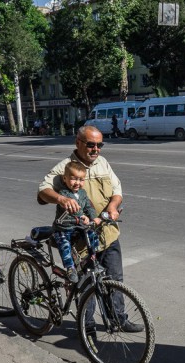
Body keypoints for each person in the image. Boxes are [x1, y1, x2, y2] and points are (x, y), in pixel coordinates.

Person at [38, 125, 143, 333]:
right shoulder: (65, 168)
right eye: (91, 145)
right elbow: (43, 191)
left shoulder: (103, 164)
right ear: (78, 143)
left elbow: (117, 190)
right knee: (86, 284)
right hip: (80, 239)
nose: (96, 149)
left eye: (99, 145)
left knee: (114, 278)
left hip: (106, 232)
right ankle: (87, 327)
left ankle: (118, 319)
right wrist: (61, 198)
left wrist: (112, 207)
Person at [53, 161, 101, 283]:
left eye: (81, 180)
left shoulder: (83, 193)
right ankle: (70, 268)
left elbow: (88, 207)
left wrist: (93, 217)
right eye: (74, 179)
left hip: (78, 227)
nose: (77, 183)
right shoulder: (64, 193)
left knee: (92, 235)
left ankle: (93, 259)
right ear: (65, 178)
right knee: (64, 246)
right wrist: (82, 217)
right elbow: (72, 210)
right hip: (64, 228)